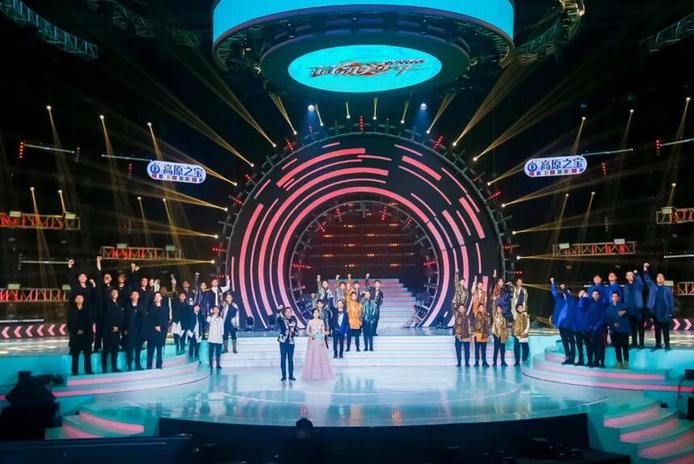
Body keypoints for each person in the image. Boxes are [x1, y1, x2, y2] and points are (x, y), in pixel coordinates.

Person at [643, 263, 675, 351]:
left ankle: (667, 344)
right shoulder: (653, 286)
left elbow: (671, 301)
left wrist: (671, 312)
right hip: (655, 313)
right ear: (656, 279)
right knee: (657, 330)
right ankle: (658, 344)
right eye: (658, 276)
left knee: (666, 330)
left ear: (664, 279)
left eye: (661, 277)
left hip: (665, 313)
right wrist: (645, 269)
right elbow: (647, 279)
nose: (660, 278)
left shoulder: (667, 289)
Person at [302, 308, 335, 381]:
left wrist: (320, 337)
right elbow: (307, 332)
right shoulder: (310, 322)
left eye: (317, 312)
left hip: (320, 340)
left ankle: (322, 374)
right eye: (315, 313)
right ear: (312, 314)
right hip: (313, 341)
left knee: (321, 356)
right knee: (313, 356)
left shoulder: (321, 321)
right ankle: (312, 374)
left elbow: (323, 332)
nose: (316, 314)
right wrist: (312, 335)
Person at [67, 294, 93, 375]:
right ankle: (74, 371)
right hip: (75, 336)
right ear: (75, 300)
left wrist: (83, 330)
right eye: (77, 297)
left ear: (83, 299)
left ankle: (88, 370)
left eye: (81, 297)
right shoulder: (71, 311)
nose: (79, 299)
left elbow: (89, 322)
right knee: (75, 355)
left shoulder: (87, 310)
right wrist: (76, 331)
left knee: (87, 354)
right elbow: (69, 324)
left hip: (86, 335)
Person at [551, 278, 575, 365]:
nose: (566, 293)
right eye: (565, 292)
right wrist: (553, 283)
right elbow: (554, 293)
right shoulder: (559, 300)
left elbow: (568, 296)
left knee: (571, 341)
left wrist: (564, 289)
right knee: (564, 341)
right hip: (561, 324)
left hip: (569, 324)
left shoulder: (571, 300)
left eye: (568, 292)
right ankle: (567, 357)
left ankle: (572, 357)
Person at [102, 288, 124, 373]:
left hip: (117, 331)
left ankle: (114, 367)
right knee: (106, 350)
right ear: (110, 294)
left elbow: (121, 318)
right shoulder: (106, 303)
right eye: (113, 292)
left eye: (116, 292)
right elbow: (106, 317)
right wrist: (112, 326)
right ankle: (104, 368)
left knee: (115, 350)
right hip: (108, 331)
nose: (114, 294)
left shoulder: (119, 304)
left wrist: (118, 327)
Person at [123, 290, 145, 371]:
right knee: (129, 349)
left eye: (136, 294)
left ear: (138, 296)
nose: (135, 296)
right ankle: (129, 365)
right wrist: (125, 329)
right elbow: (124, 319)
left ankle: (138, 365)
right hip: (129, 331)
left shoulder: (141, 306)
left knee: (138, 349)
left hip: (139, 331)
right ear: (131, 296)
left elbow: (144, 318)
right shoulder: (127, 307)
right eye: (133, 294)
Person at [607, 292, 630, 368]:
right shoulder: (609, 308)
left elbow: (628, 310)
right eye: (613, 296)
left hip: (624, 331)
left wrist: (625, 311)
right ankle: (619, 362)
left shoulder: (623, 306)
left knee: (625, 347)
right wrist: (613, 324)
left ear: (619, 297)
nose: (615, 298)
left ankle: (626, 363)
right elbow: (608, 319)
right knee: (617, 348)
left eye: (616, 296)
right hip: (615, 331)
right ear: (611, 298)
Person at [623, 270, 645, 349]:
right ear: (626, 277)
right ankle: (634, 342)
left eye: (631, 275)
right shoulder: (625, 287)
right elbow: (624, 298)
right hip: (629, 310)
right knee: (632, 328)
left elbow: (641, 283)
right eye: (628, 275)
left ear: (633, 276)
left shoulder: (638, 285)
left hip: (638, 310)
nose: (630, 276)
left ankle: (641, 343)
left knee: (640, 327)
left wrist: (637, 274)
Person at [146, 291, 168, 369]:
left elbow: (165, 320)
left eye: (158, 296)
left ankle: (159, 365)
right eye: (156, 296)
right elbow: (149, 319)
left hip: (161, 332)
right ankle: (149, 365)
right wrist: (155, 326)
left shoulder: (164, 307)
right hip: (152, 332)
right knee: (150, 350)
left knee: (159, 350)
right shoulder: (151, 307)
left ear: (161, 298)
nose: (157, 297)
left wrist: (162, 328)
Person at [587, 290, 607, 368]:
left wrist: (597, 326)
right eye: (594, 294)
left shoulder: (602, 305)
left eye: (597, 294)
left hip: (601, 329)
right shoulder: (590, 305)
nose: (595, 296)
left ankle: (602, 362)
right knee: (594, 346)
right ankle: (595, 361)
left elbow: (603, 317)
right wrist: (590, 325)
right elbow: (589, 316)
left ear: (599, 295)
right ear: (592, 295)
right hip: (592, 330)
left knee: (601, 346)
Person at [277, 306, 298, 381]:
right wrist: (278, 310)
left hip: (291, 342)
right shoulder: (282, 320)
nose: (289, 313)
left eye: (290, 311)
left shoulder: (294, 320)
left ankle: (291, 375)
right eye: (287, 311)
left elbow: (296, 330)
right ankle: (283, 376)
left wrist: (294, 332)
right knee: (283, 358)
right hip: (283, 341)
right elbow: (278, 318)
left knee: (290, 359)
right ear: (285, 313)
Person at [573, 290, 590, 366]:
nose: (582, 293)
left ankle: (589, 360)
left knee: (588, 345)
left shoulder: (586, 301)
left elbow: (582, 307)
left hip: (584, 327)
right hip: (577, 328)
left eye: (583, 292)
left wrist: (583, 298)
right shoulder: (576, 303)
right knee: (579, 345)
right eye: (580, 292)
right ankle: (581, 360)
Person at [453, 302, 472, 367]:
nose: (461, 309)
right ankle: (459, 362)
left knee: (467, 350)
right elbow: (455, 326)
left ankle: (467, 362)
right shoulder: (456, 316)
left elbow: (469, 326)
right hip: (458, 336)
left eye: (462, 308)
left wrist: (470, 335)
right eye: (460, 308)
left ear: (464, 309)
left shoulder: (467, 317)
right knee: (458, 350)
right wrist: (456, 334)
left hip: (466, 336)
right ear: (458, 309)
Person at [207, 306, 224, 371]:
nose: (216, 310)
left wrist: (222, 336)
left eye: (217, 309)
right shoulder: (210, 318)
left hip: (219, 338)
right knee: (211, 352)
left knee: (218, 352)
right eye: (214, 309)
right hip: (211, 338)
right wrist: (210, 313)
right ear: (213, 310)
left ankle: (218, 365)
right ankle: (210, 364)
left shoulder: (221, 319)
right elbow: (208, 320)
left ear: (219, 311)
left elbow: (222, 328)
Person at [473, 303, 490, 367]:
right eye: (480, 307)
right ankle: (477, 361)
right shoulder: (476, 315)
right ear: (478, 308)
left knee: (483, 349)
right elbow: (475, 325)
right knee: (477, 349)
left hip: (484, 334)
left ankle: (484, 361)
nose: (481, 308)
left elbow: (488, 324)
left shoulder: (486, 315)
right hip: (478, 334)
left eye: (482, 307)